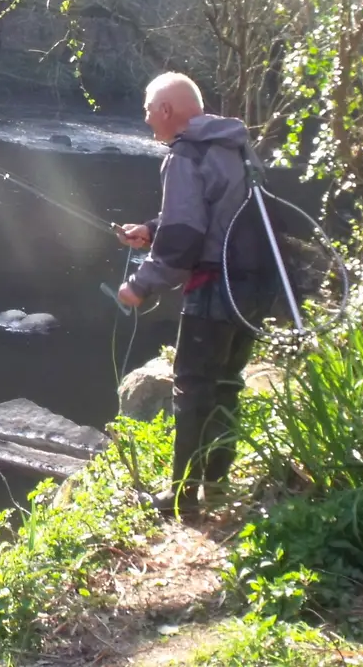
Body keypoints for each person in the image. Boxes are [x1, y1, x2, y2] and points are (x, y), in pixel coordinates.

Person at [113, 72, 282, 517]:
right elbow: (213, 210)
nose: (148, 120)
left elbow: (187, 235)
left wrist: (140, 285)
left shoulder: (185, 153)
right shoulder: (235, 145)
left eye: (149, 111)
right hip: (254, 289)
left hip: (213, 290)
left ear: (167, 110)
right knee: (227, 385)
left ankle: (182, 498)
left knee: (192, 389)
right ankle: (216, 485)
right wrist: (151, 229)